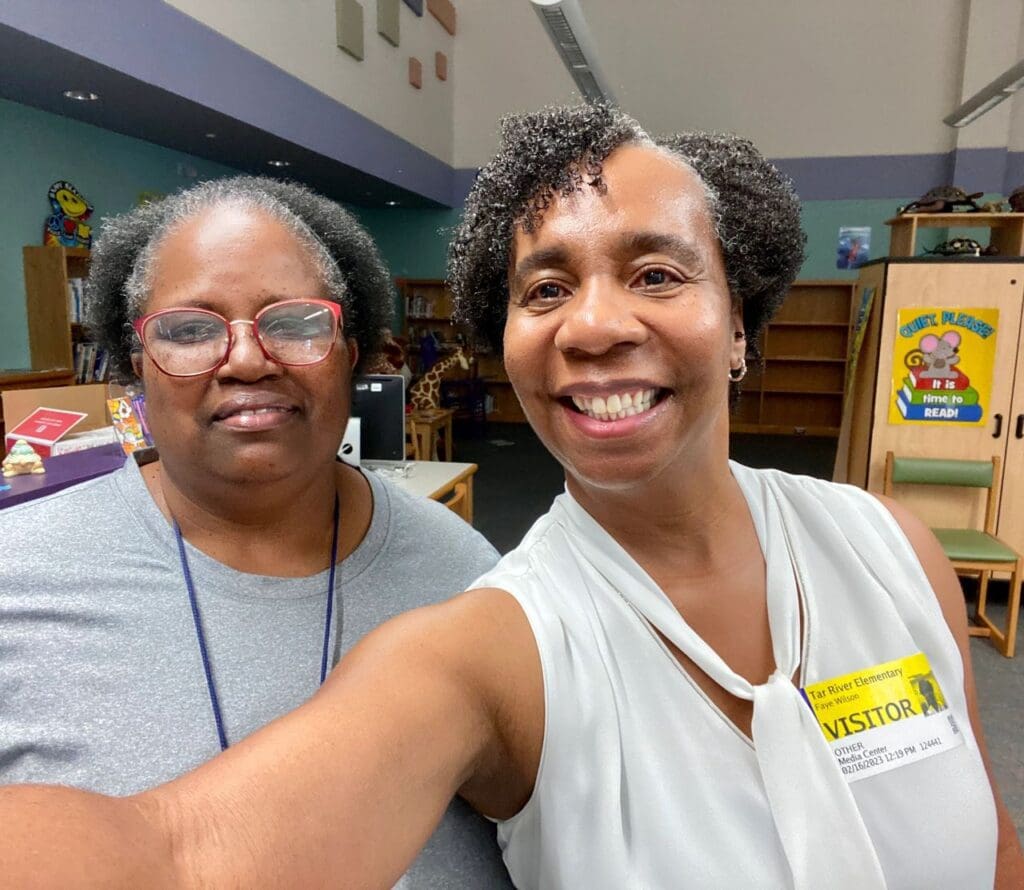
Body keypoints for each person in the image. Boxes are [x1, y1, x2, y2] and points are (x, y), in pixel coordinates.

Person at [2, 107, 1022, 889]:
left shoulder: (889, 548)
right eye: (543, 289)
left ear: (742, 318)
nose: (593, 324)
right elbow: (178, 851)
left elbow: (989, 843)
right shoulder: (489, 637)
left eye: (658, 272)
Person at [0, 176, 512, 887]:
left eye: (295, 322)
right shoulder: (16, 580)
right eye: (188, 329)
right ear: (135, 366)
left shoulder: (467, 576)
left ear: (350, 351)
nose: (245, 359)